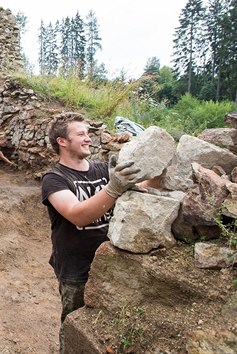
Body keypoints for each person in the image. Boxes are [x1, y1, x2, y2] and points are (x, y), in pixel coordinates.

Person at [40, 112, 158, 352]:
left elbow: (146, 186)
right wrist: (113, 188)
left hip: (111, 263)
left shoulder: (103, 169)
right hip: (76, 267)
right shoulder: (54, 179)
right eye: (81, 134)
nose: (88, 139)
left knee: (104, 327)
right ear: (62, 141)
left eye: (88, 134)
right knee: (75, 323)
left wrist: (157, 167)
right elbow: (77, 214)